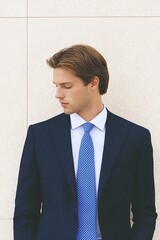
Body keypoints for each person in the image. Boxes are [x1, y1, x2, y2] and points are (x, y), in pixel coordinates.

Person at [14, 44, 157, 240]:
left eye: (67, 86)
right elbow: (25, 212)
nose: (58, 94)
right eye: (56, 86)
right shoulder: (40, 136)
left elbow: (145, 213)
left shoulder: (135, 138)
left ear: (93, 83)